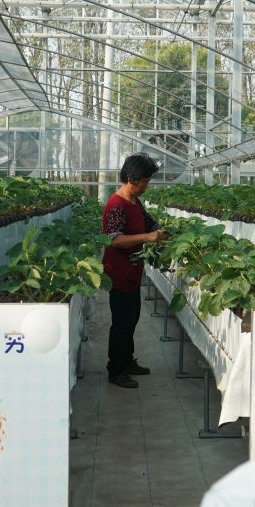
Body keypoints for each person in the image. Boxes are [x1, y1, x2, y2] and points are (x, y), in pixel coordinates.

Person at [101, 153, 171, 389]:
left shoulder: (134, 202)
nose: (146, 187)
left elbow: (150, 223)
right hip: (119, 273)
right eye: (145, 182)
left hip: (132, 273)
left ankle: (127, 361)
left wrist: (166, 231)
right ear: (132, 179)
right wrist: (147, 237)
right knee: (121, 323)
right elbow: (114, 240)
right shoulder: (116, 205)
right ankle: (115, 370)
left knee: (131, 319)